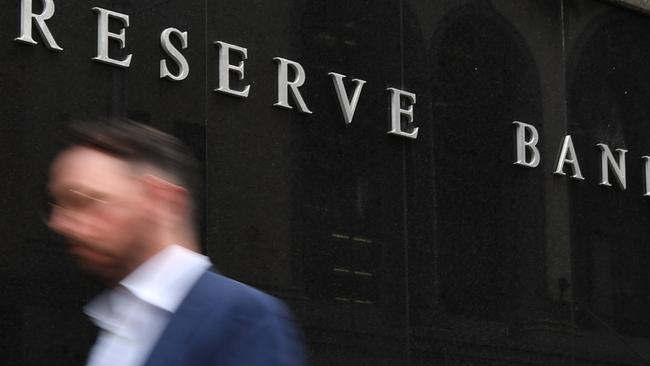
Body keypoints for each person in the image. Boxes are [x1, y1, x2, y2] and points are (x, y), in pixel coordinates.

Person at [45, 118, 305, 366]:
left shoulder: (244, 317)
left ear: (163, 201)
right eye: (58, 204)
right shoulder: (102, 319)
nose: (60, 222)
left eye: (85, 200)